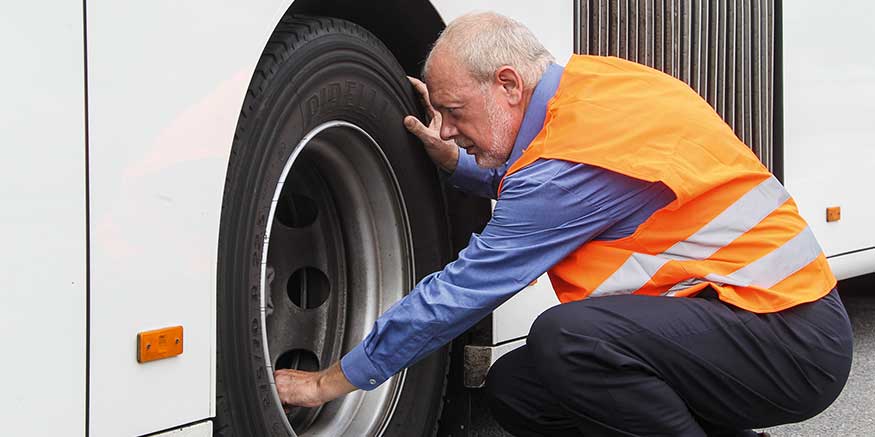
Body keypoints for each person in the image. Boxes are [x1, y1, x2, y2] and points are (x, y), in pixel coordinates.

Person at [274, 11, 853, 436]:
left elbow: (457, 295)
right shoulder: (589, 91)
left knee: (568, 338)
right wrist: (461, 165)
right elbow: (568, 186)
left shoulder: (566, 169)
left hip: (791, 342)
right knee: (517, 389)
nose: (446, 129)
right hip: (747, 318)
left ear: (506, 85)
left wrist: (333, 380)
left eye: (454, 112)